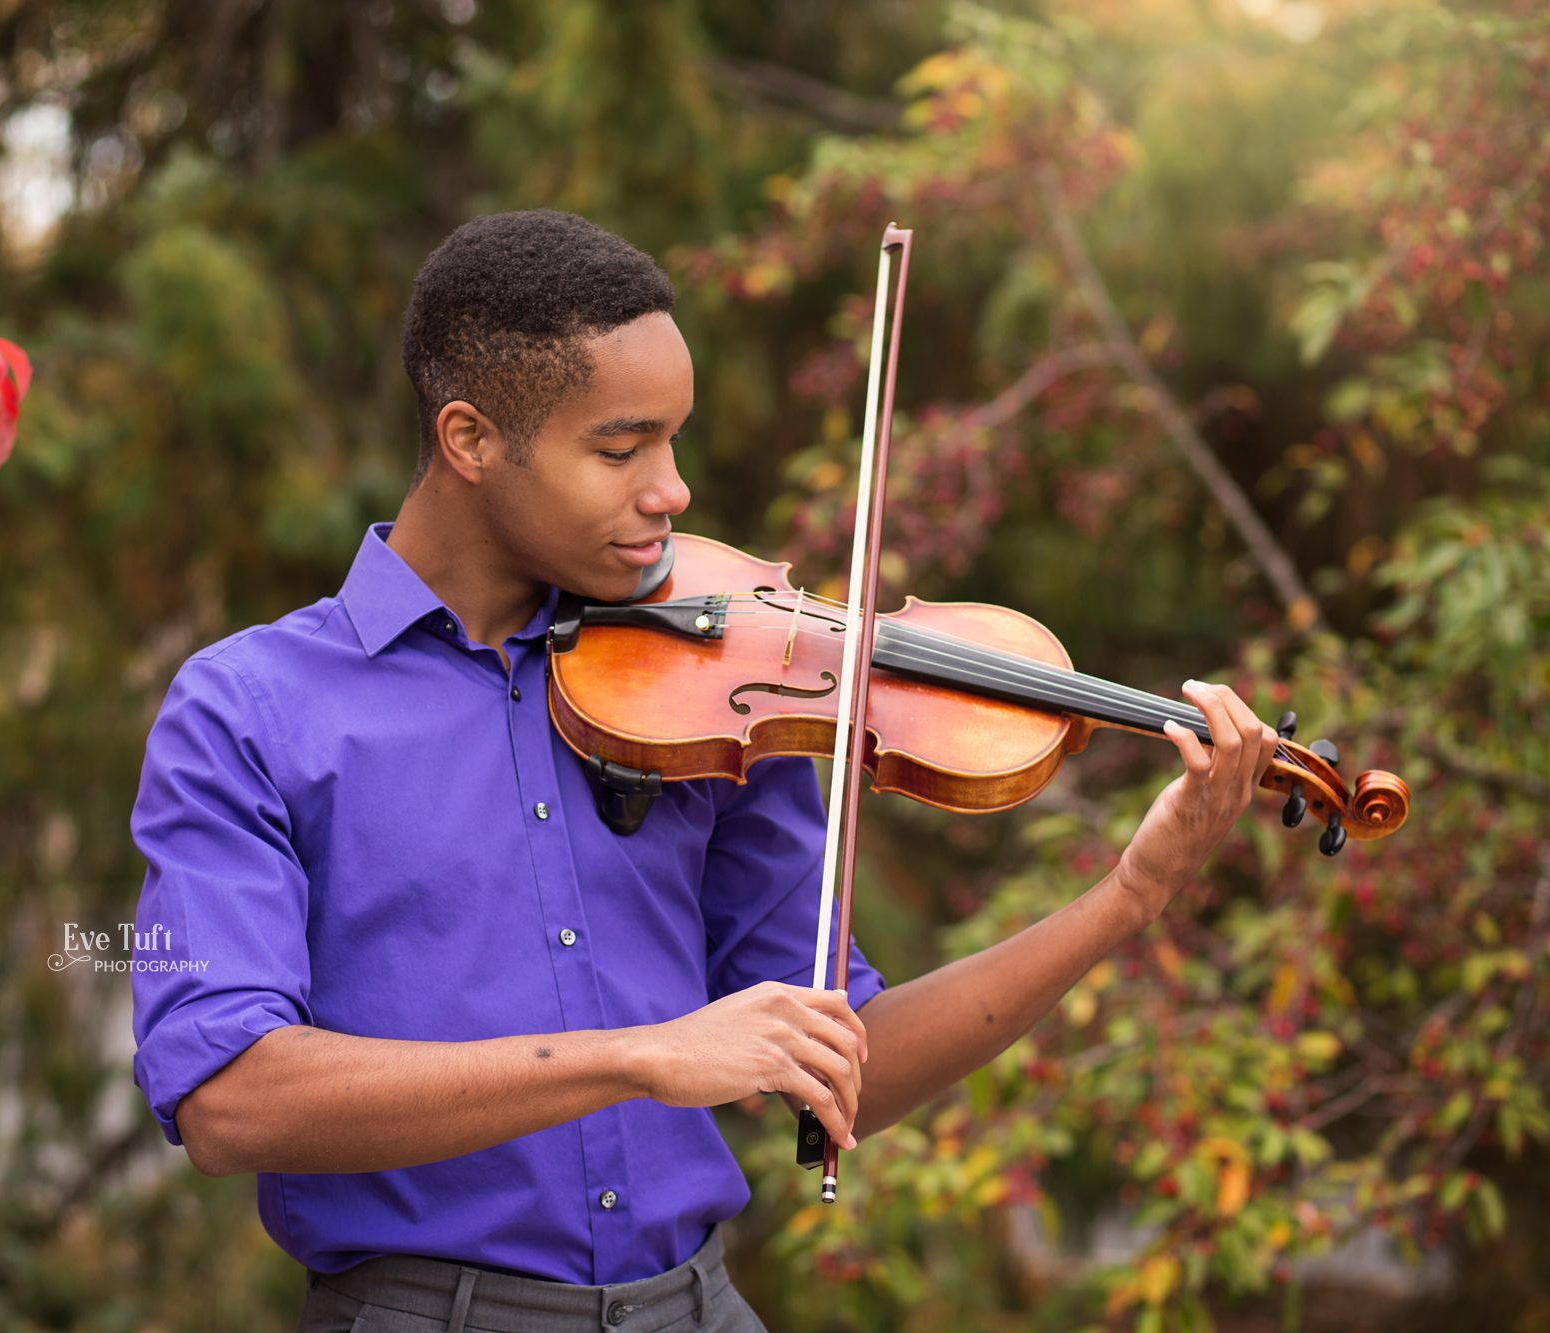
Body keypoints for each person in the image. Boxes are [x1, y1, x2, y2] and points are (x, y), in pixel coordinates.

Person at [128, 209, 1278, 1332]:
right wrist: (641, 1056)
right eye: (619, 448)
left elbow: (850, 1070)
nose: (669, 489)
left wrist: (1129, 895)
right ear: (469, 439)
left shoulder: (718, 689)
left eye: (672, 440)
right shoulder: (251, 709)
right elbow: (232, 1098)